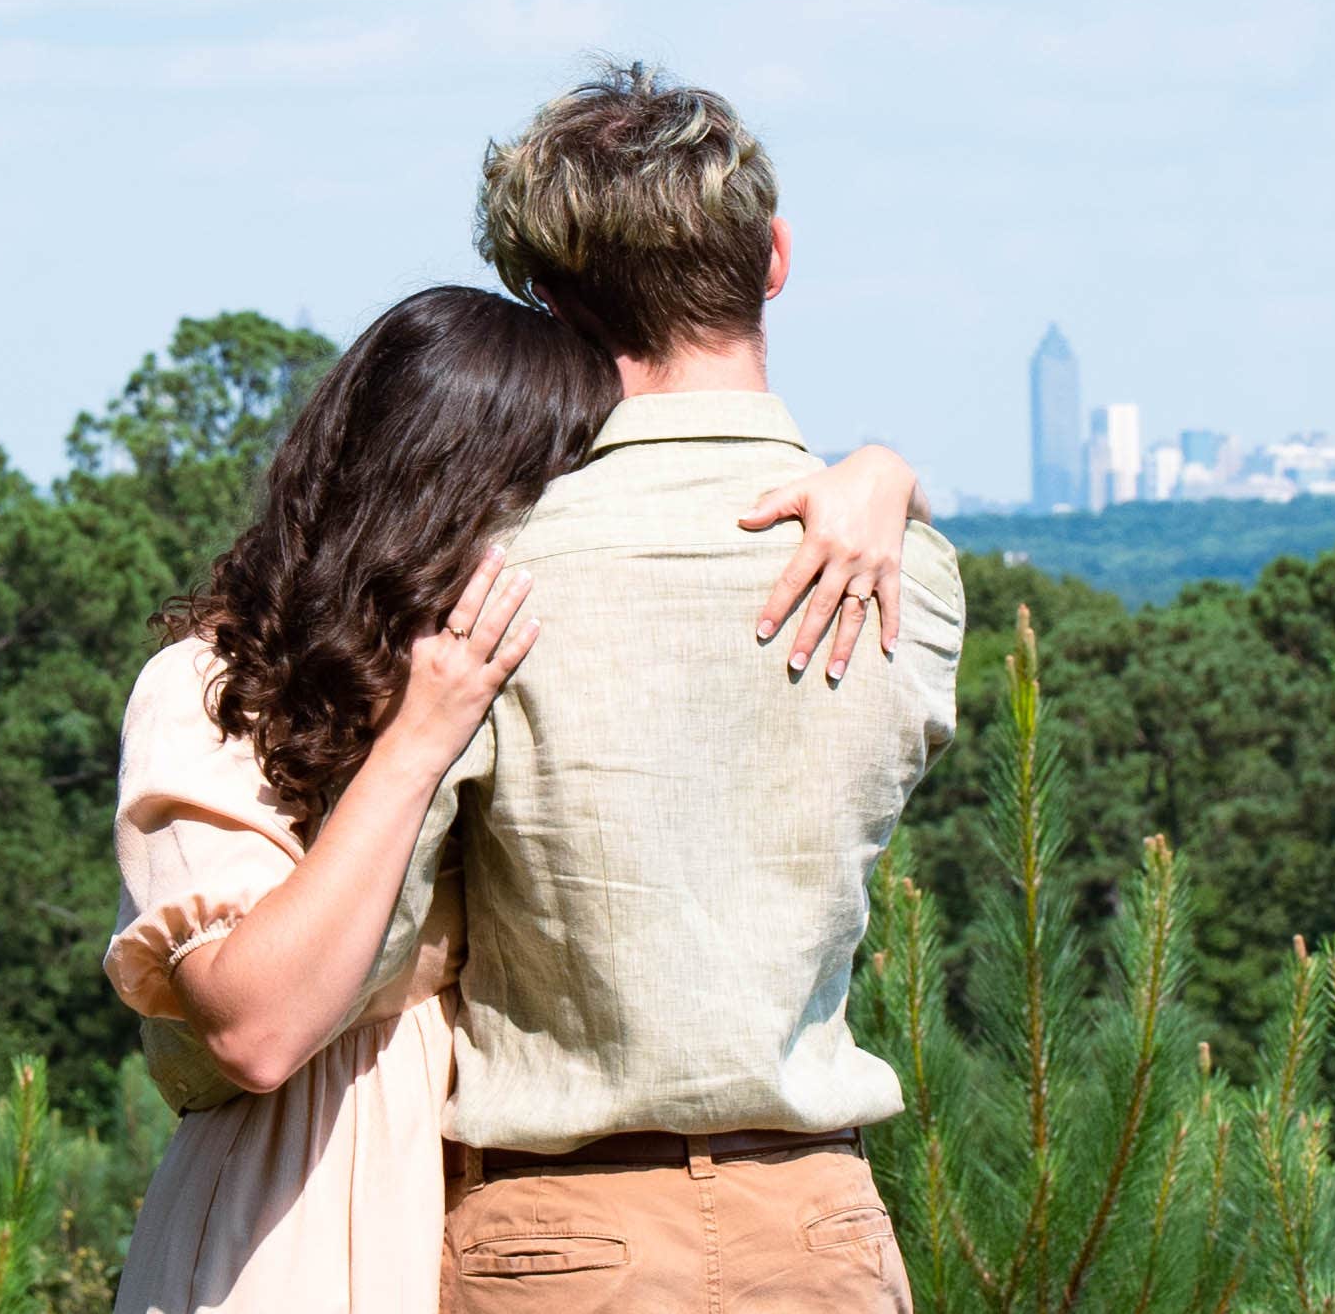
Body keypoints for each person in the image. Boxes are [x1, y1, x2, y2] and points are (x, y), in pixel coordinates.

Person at [106, 280, 934, 1306]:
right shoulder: (211, 690)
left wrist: (879, 478)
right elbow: (257, 1030)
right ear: (441, 497)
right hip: (299, 1223)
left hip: (506, 1236)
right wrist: (420, 739)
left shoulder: (499, 689)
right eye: (550, 493)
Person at [371, 60, 964, 1312]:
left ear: (542, 301)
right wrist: (889, 472)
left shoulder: (482, 577)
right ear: (777, 258)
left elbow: (381, 949)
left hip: (557, 1236)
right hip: (822, 1231)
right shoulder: (908, 577)